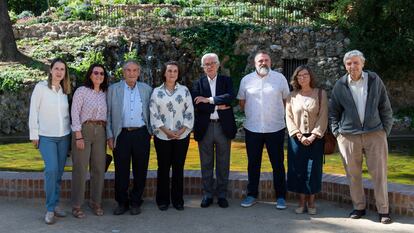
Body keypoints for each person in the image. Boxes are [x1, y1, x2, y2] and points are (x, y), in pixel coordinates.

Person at [330, 50, 394, 224]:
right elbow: (333, 112)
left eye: (356, 62)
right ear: (345, 66)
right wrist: (337, 134)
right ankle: (359, 207)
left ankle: (383, 211)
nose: (353, 66)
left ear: (363, 64)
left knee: (379, 174)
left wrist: (384, 132)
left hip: (375, 134)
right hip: (349, 136)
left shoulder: (374, 80)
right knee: (353, 174)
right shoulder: (340, 85)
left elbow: (385, 108)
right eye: (349, 63)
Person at [237, 50, 290, 209]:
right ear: (255, 63)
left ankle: (281, 196)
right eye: (260, 61)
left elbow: (286, 99)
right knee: (253, 164)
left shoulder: (280, 79)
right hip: (252, 128)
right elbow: (241, 102)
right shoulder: (246, 80)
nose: (263, 63)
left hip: (275, 128)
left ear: (270, 62)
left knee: (278, 164)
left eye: (266, 60)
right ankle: (252, 195)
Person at [106, 60, 153, 215]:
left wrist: (151, 132)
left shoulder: (147, 89)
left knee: (141, 170)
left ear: (139, 72)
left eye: (134, 70)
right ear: (123, 72)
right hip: (122, 134)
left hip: (141, 133)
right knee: (121, 171)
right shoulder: (113, 89)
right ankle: (121, 202)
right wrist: (110, 136)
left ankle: (135, 202)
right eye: (128, 70)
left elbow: (153, 111)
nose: (131, 73)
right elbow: (108, 115)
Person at [29, 58, 72, 224]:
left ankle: (55, 204)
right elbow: (34, 110)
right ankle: (49, 209)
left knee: (59, 173)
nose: (59, 72)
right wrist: (34, 134)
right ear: (50, 70)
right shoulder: (41, 88)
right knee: (52, 170)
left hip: (64, 136)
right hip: (46, 136)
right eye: (57, 68)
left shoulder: (64, 89)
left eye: (62, 69)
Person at [192, 53, 237, 208]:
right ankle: (208, 194)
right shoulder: (198, 83)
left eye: (212, 63)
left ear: (218, 65)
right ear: (203, 67)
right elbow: (198, 104)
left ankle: (222, 195)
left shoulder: (227, 81)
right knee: (206, 163)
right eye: (206, 64)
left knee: (223, 163)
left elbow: (230, 96)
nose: (209, 66)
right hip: (205, 127)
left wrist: (209, 100)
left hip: (222, 127)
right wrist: (218, 105)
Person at [149, 61, 194, 211]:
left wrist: (180, 132)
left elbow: (189, 112)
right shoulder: (156, 92)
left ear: (178, 73)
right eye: (169, 71)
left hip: (182, 136)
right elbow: (154, 114)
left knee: (178, 168)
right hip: (162, 136)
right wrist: (168, 132)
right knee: (163, 168)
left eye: (175, 71)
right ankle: (162, 200)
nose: (172, 73)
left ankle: (177, 200)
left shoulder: (185, 91)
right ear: (164, 73)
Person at [285, 65, 328, 215]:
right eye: (299, 76)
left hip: (316, 138)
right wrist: (299, 135)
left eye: (305, 75)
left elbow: (323, 116)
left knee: (314, 170)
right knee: (298, 170)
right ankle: (301, 202)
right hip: (296, 139)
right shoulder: (291, 96)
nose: (302, 78)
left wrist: (313, 135)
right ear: (296, 79)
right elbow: (288, 117)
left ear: (311, 76)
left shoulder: (321, 94)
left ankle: (311, 202)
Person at [70, 64, 109, 218]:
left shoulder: (106, 93)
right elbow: (75, 113)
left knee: (99, 168)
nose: (99, 75)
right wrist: (78, 135)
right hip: (84, 130)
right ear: (90, 74)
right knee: (80, 168)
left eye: (102, 73)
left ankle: (96, 202)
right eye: (96, 72)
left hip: (101, 131)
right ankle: (77, 205)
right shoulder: (81, 91)